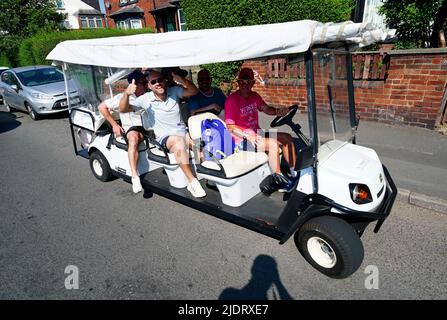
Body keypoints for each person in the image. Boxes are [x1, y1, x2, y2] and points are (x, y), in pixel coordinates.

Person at [120, 69, 207, 198]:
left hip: (183, 132)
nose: (158, 83)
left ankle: (206, 175)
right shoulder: (146, 99)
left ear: (164, 81)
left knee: (200, 145)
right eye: (153, 82)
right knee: (179, 142)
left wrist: (182, 80)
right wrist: (126, 94)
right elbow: (123, 109)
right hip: (165, 139)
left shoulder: (174, 92)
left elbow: (194, 91)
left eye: (160, 80)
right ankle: (192, 182)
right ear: (149, 86)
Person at [224, 67, 297, 193]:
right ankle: (278, 181)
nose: (245, 84)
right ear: (238, 82)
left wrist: (278, 112)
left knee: (287, 138)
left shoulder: (254, 96)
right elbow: (230, 127)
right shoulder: (232, 100)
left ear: (253, 83)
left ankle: (294, 173)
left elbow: (266, 109)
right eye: (242, 81)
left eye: (249, 81)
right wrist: (248, 136)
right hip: (241, 140)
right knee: (273, 144)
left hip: (257, 135)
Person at [98, 70, 148, 194]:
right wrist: (114, 124)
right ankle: (135, 176)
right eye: (143, 82)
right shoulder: (122, 97)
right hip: (133, 127)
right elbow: (101, 107)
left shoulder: (149, 95)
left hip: (150, 126)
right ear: (134, 84)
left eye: (146, 82)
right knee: (133, 138)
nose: (147, 85)